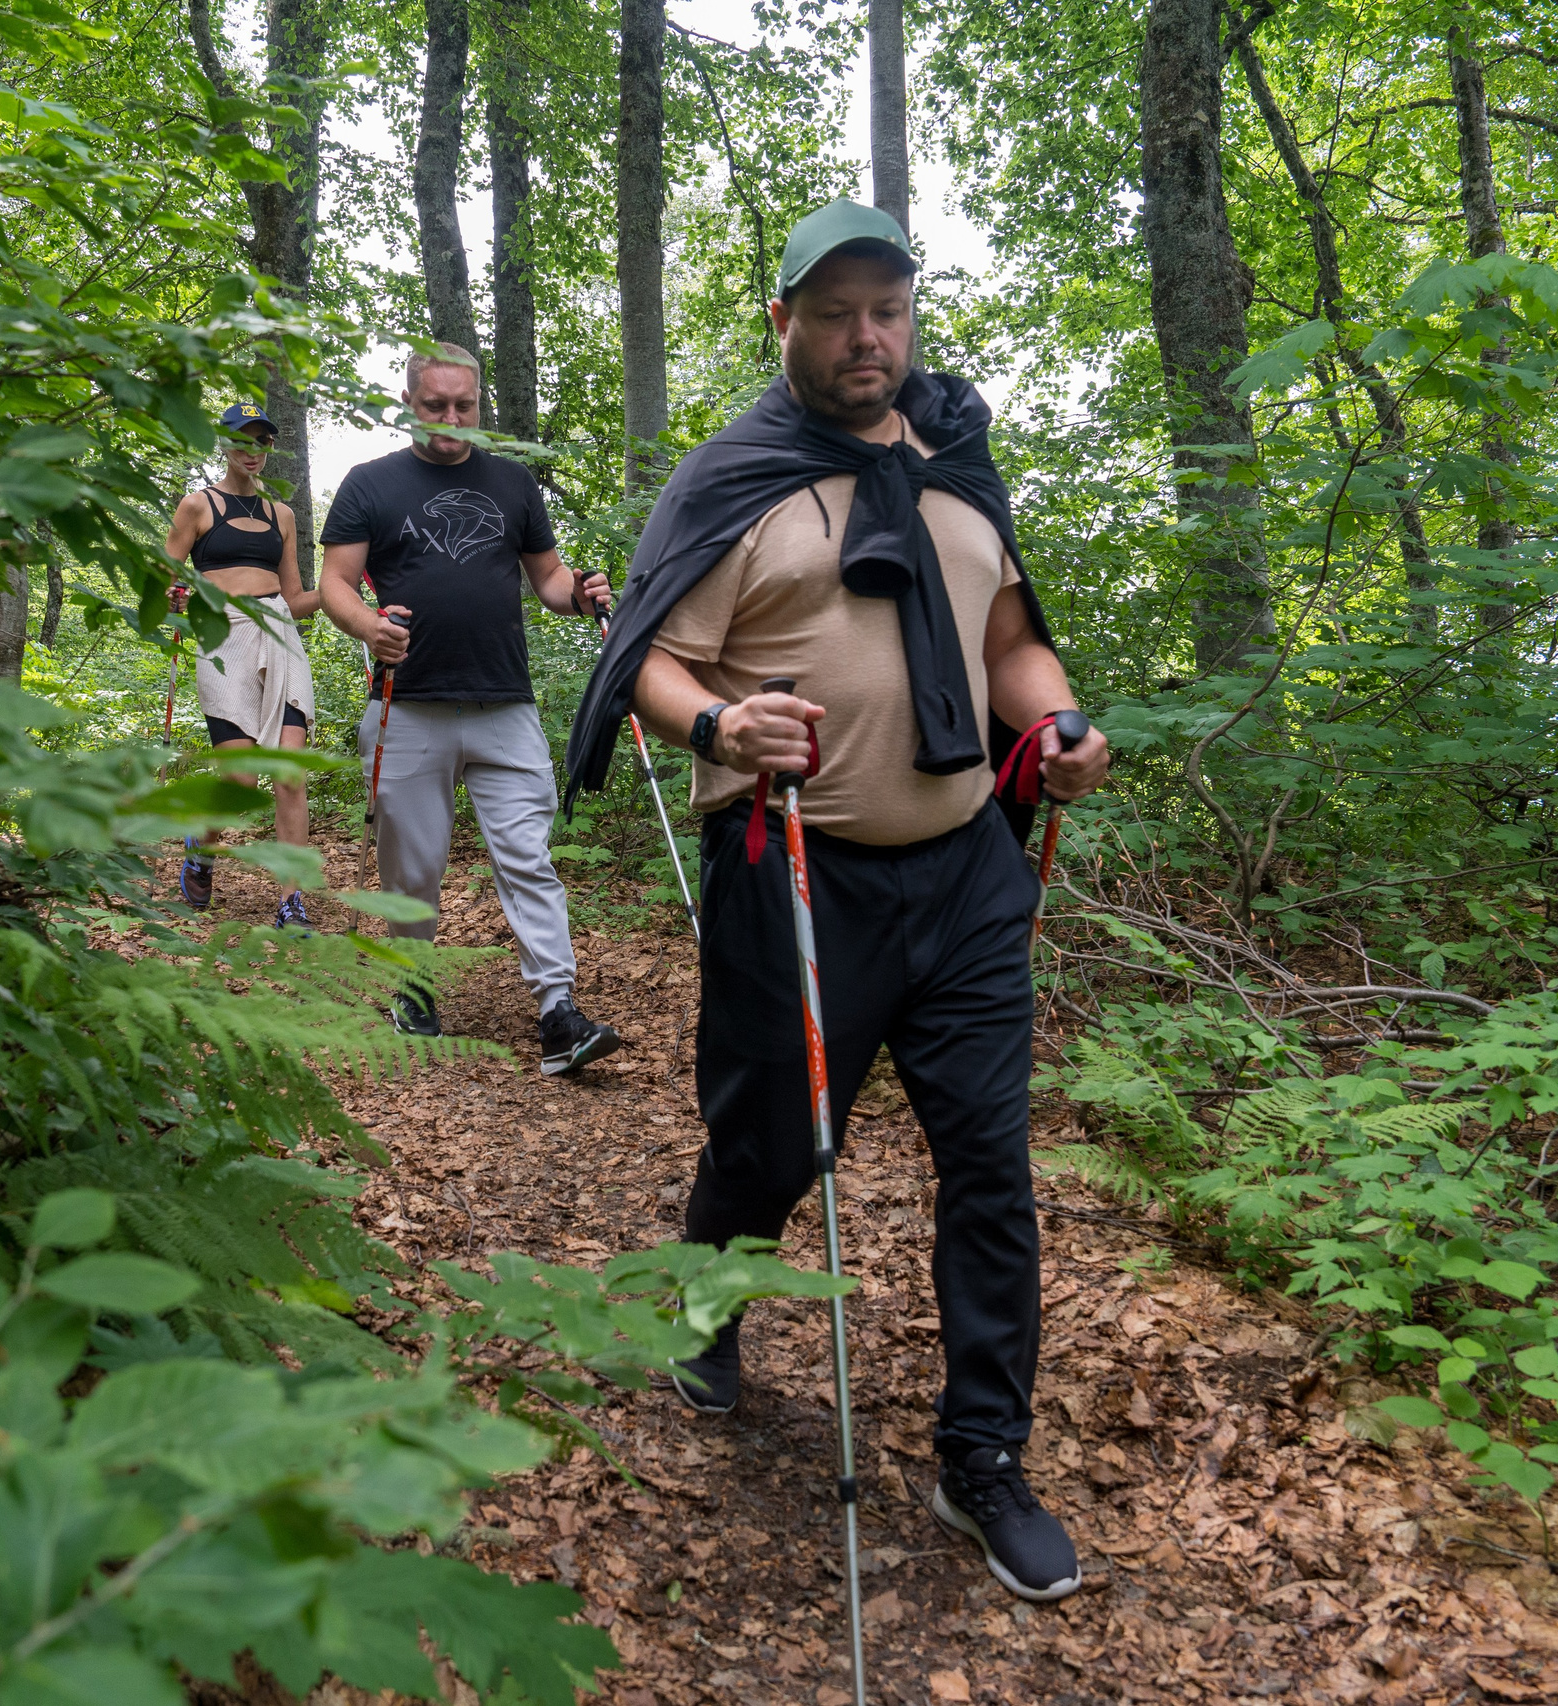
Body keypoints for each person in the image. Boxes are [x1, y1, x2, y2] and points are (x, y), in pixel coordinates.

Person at [565, 200, 1113, 1604]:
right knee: (775, 1142)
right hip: (797, 865)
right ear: (787, 323)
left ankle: (982, 1453)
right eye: (837, 311)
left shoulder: (958, 465)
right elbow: (655, 660)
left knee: (989, 1164)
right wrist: (718, 730)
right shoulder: (731, 478)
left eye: (890, 309)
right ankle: (708, 1298)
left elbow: (1007, 636)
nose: (867, 336)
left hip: (966, 867)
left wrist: (1056, 726)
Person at [317, 343, 626, 1078]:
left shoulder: (512, 482)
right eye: (436, 406)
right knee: (413, 866)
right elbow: (333, 581)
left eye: (466, 406)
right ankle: (413, 983)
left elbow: (548, 578)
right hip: (408, 705)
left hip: (503, 703)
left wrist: (581, 594)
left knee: (529, 857)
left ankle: (558, 1013)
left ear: (480, 403)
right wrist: (368, 627)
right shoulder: (371, 483)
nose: (453, 419)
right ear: (409, 402)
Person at [162, 403, 323, 928]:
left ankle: (291, 901)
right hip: (221, 631)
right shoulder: (197, 506)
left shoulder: (283, 515)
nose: (254, 451)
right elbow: (166, 579)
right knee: (240, 780)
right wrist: (174, 598)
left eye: (263, 442)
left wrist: (338, 591)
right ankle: (202, 848)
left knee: (290, 776)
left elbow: (295, 597)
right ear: (224, 444)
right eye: (243, 441)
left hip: (279, 631)